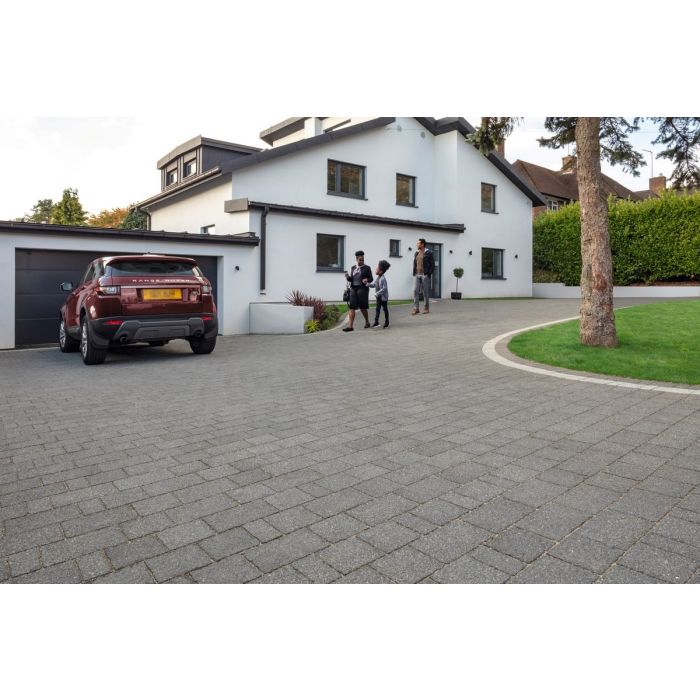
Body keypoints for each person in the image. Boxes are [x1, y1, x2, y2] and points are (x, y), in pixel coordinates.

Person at [343, 250, 373, 332]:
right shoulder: (353, 267)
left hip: (362, 289)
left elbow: (371, 278)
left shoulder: (367, 268)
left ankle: (367, 321)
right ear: (356, 259)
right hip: (353, 289)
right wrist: (347, 277)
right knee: (352, 307)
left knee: (362, 307)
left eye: (363, 259)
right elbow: (351, 279)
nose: (362, 261)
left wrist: (367, 279)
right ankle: (350, 327)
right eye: (360, 260)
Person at [412, 238, 434, 315]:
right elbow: (415, 263)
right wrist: (414, 272)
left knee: (425, 292)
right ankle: (416, 308)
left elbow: (432, 265)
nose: (417, 244)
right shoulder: (416, 253)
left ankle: (426, 308)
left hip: (425, 275)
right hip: (417, 275)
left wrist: (428, 274)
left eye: (418, 243)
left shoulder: (429, 253)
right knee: (415, 291)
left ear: (422, 244)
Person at [368, 260, 391, 328]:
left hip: (383, 298)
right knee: (377, 309)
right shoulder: (378, 278)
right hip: (379, 297)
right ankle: (376, 322)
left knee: (385, 309)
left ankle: (387, 322)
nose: (375, 269)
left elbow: (384, 289)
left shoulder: (383, 279)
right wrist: (367, 284)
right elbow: (374, 285)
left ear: (380, 271)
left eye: (377, 268)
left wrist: (377, 293)